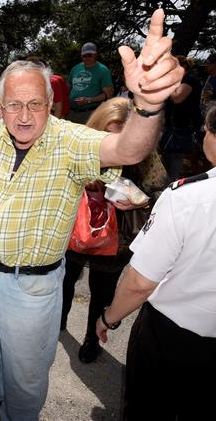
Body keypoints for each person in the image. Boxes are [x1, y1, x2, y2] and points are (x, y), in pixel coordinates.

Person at [0, 9, 183, 421]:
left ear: (51, 103)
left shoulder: (70, 141)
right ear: (0, 105)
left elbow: (127, 150)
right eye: (15, 105)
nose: (24, 116)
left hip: (29, 285)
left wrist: (147, 107)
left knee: (25, 374)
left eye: (35, 104)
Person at [96, 92, 216, 421]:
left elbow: (139, 282)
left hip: (171, 341)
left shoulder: (187, 197)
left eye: (204, 130)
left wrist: (109, 318)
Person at [60, 97, 168, 363]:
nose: (117, 146)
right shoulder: (81, 145)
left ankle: (91, 339)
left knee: (102, 290)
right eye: (108, 136)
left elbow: (162, 195)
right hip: (78, 228)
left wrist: (138, 201)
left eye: (123, 138)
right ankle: (58, 322)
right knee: (65, 279)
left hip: (117, 238)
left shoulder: (145, 153)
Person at [160, 55, 202, 180]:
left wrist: (169, 85)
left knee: (174, 162)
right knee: (166, 158)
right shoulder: (180, 82)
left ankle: (171, 186)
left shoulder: (190, 81)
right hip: (172, 127)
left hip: (182, 127)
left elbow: (178, 98)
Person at [67, 42, 114, 124]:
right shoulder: (75, 68)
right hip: (71, 113)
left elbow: (108, 94)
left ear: (95, 55)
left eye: (89, 55)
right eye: (84, 56)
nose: (86, 58)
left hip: (91, 113)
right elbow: (67, 88)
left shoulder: (103, 70)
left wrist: (89, 100)